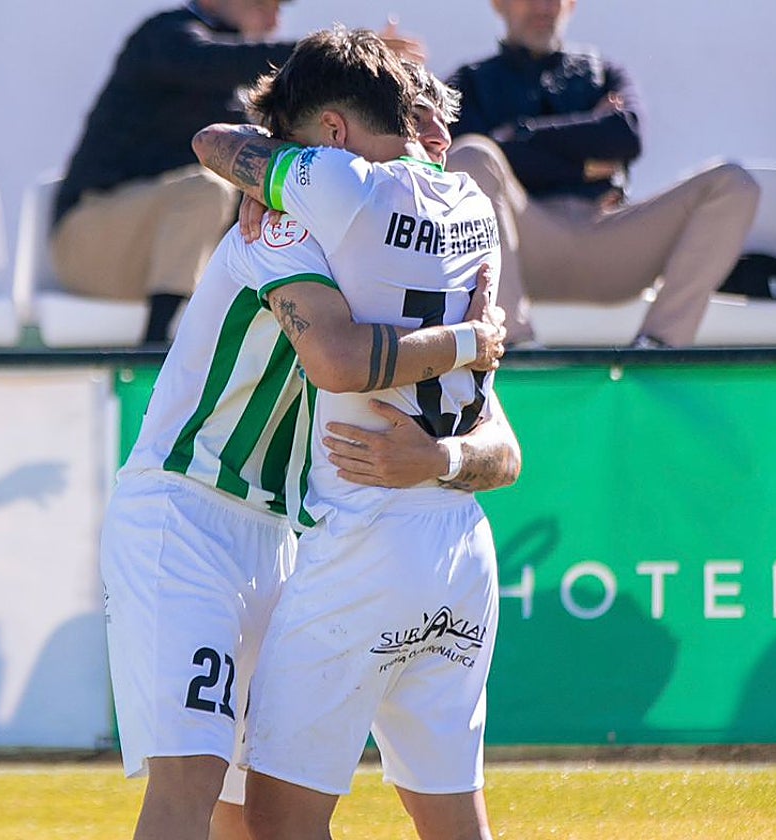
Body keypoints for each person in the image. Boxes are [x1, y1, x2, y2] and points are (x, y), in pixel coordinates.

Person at [102, 50, 518, 840]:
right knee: (193, 782)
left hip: (282, 533)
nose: (427, 139)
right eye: (417, 120)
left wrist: (443, 460)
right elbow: (337, 359)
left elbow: (501, 444)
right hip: (185, 513)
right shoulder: (294, 224)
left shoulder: (399, 232)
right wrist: (471, 337)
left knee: (246, 819)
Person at [51, 0, 425, 344]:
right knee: (208, 189)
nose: (274, 19)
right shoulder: (166, 35)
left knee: (280, 189)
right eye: (266, 2)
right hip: (90, 242)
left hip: (164, 257)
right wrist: (338, 62)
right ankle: (157, 349)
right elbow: (206, 61)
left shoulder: (232, 76)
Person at [445, 0, 760, 347]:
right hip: (524, 242)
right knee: (473, 155)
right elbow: (464, 158)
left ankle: (657, 346)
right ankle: (515, 345)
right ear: (499, 4)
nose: (543, 6)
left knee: (734, 183)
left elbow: (627, 135)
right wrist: (585, 159)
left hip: (610, 240)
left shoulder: (602, 71)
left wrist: (519, 135)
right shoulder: (470, 82)